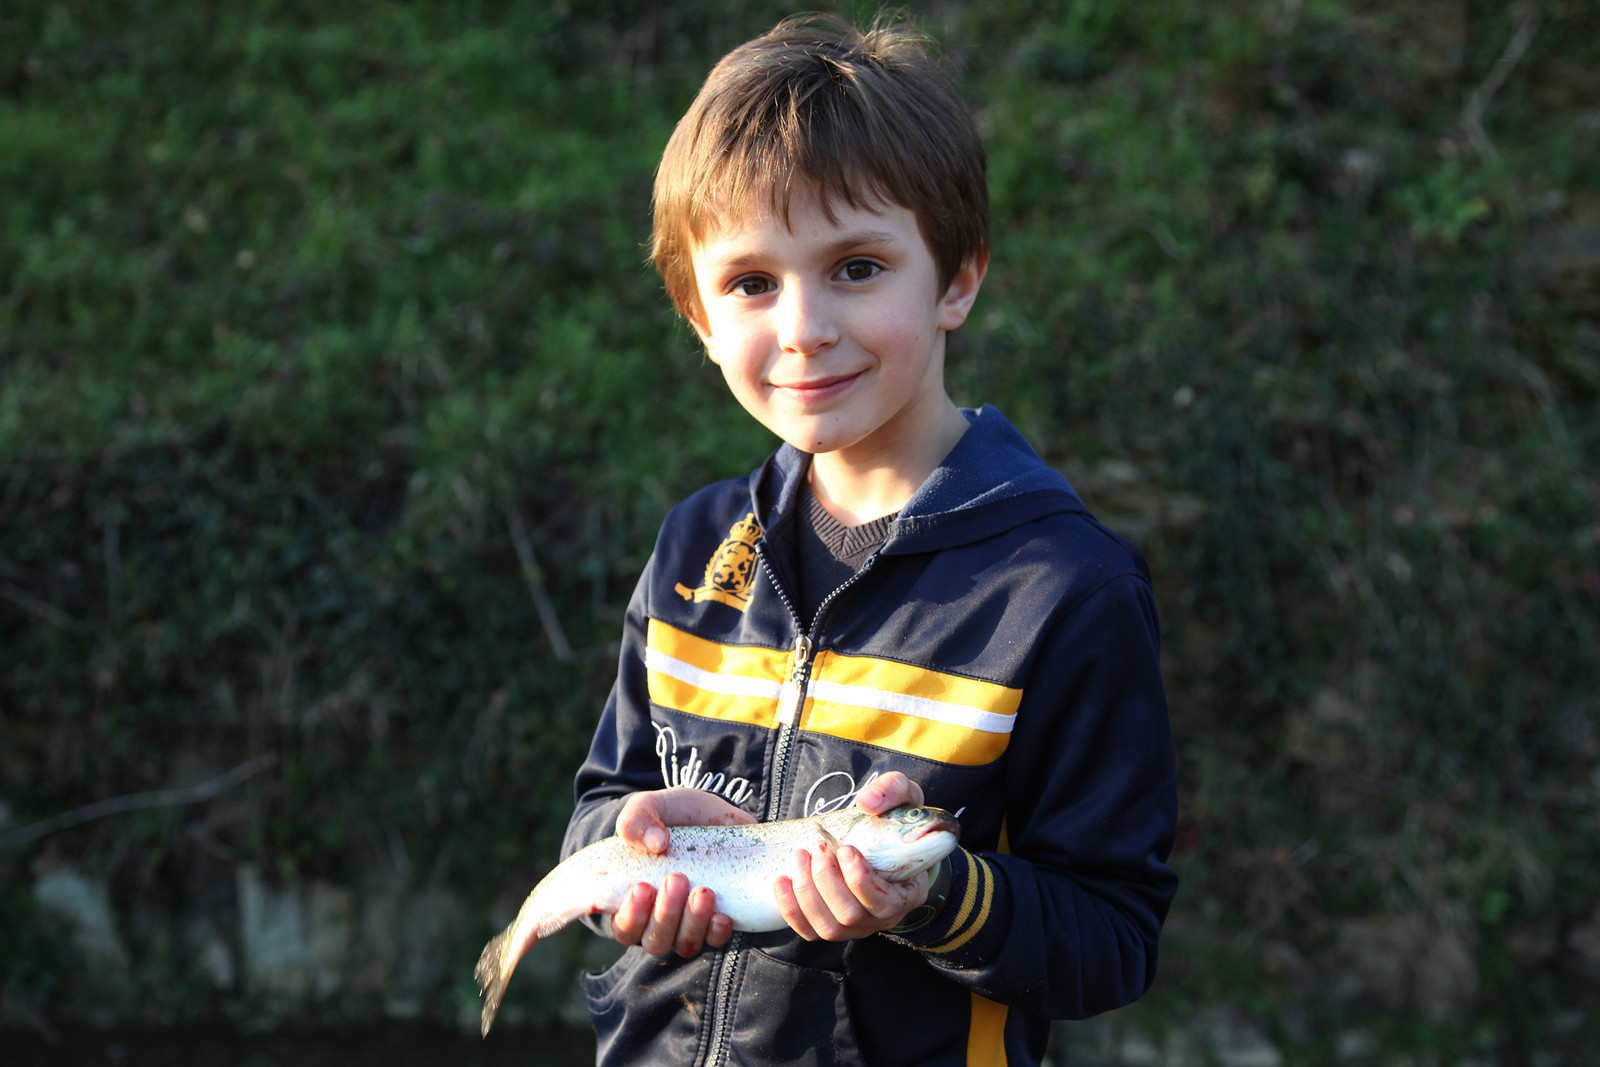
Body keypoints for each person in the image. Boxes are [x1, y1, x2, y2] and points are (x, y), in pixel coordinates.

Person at [561, 12, 1178, 1065]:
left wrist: (935, 894)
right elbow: (601, 803)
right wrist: (623, 849)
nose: (804, 327)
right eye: (751, 283)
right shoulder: (697, 546)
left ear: (957, 278)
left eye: (855, 266)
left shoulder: (1064, 590)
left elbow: (1112, 936)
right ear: (699, 317)